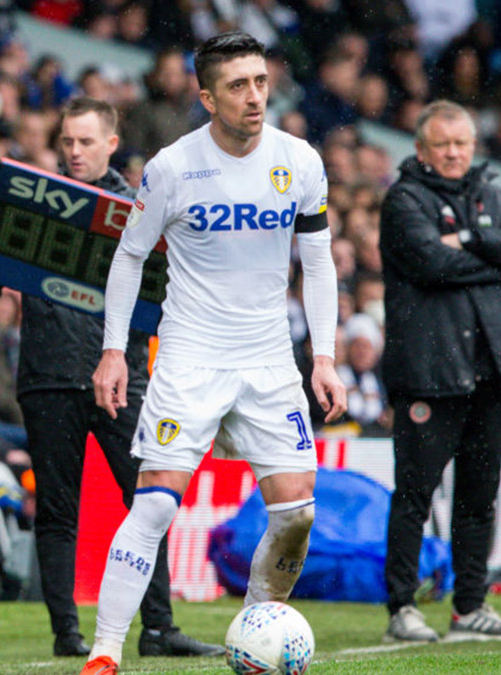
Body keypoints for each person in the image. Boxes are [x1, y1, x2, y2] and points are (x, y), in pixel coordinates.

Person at [79, 33, 347, 675]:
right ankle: (105, 652)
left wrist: (326, 356)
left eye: (260, 81)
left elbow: (317, 260)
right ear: (206, 97)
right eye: (237, 85)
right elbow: (129, 257)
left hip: (267, 360)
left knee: (296, 513)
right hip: (190, 357)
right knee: (155, 503)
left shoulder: (300, 160)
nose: (255, 96)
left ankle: (255, 635)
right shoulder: (173, 167)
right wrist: (114, 351)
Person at [0, 96, 223, 659]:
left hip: (119, 375)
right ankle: (66, 634)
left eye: (84, 141)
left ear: (111, 143)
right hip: (49, 374)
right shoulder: (29, 199)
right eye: (67, 142)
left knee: (150, 501)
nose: (74, 152)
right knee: (57, 510)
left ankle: (157, 628)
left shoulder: (143, 204)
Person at [379, 100, 501, 643]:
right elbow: (431, 262)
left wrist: (472, 239)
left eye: (462, 143)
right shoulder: (403, 199)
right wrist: (496, 257)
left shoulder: (492, 193)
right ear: (422, 149)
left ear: (473, 146)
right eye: (442, 144)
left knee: (480, 497)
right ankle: (402, 607)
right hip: (430, 370)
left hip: (492, 370)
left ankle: (470, 604)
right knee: (415, 495)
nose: (453, 153)